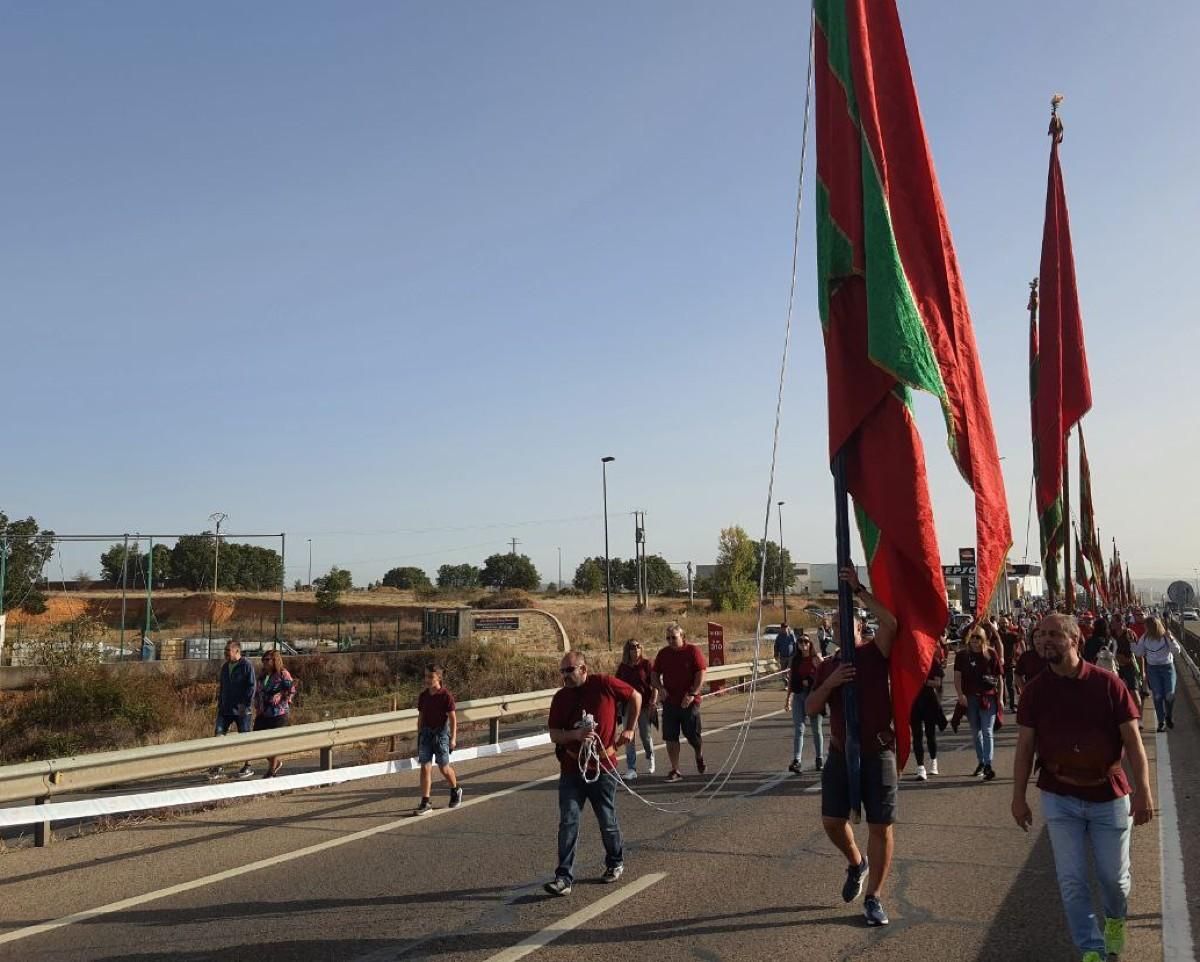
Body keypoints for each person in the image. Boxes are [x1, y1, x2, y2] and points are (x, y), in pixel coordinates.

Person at [1012, 613, 1153, 962]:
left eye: (1054, 634)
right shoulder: (1034, 692)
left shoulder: (1108, 685)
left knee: (1114, 881)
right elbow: (1025, 747)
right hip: (1060, 796)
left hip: (1108, 794)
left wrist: (1144, 792)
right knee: (1072, 881)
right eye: (1040, 634)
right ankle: (1091, 949)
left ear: (1074, 640)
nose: (1045, 640)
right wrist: (1018, 797)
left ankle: (1115, 921)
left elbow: (1133, 744)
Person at [805, 566, 899, 927]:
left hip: (877, 751)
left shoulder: (876, 652)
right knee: (832, 820)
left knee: (880, 824)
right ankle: (856, 862)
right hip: (842, 754)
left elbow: (891, 623)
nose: (843, 628)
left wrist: (859, 590)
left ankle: (874, 896)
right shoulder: (827, 664)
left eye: (850, 623)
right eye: (838, 624)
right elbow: (812, 707)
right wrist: (831, 683)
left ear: (860, 627)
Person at [544, 651, 639, 896]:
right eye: (562, 671)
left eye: (569, 670)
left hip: (603, 766)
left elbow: (635, 696)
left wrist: (629, 728)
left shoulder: (604, 684)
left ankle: (615, 861)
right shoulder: (561, 698)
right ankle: (563, 877)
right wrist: (574, 736)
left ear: (583, 669)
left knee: (606, 819)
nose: (565, 676)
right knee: (568, 822)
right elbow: (555, 734)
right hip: (572, 768)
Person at [652, 622, 708, 782]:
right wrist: (660, 688)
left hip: (689, 701)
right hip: (670, 702)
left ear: (682, 637)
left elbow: (701, 673)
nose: (670, 641)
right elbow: (654, 674)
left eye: (673, 638)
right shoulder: (663, 654)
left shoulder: (692, 651)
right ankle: (675, 769)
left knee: (692, 735)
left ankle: (699, 754)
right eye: (668, 638)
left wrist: (692, 693)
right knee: (670, 736)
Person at [414, 664, 463, 815]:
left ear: (439, 678)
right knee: (425, 766)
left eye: (431, 677)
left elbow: (453, 719)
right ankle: (425, 801)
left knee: (443, 767)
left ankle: (455, 789)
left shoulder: (445, 696)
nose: (428, 680)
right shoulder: (423, 696)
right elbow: (421, 716)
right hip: (426, 734)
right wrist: (420, 734)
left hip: (441, 734)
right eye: (426, 676)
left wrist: (453, 738)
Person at [954, 626, 1002, 781]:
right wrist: (960, 695)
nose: (975, 641)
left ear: (983, 639)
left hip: (988, 698)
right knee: (976, 732)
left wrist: (1000, 698)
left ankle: (988, 765)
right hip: (970, 699)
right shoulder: (962, 656)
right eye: (973, 637)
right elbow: (957, 677)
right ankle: (981, 761)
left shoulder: (991, 654)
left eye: (978, 638)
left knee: (987, 730)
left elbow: (999, 678)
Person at [207, 641, 257, 781]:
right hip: (225, 708)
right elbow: (222, 687)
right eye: (225, 651)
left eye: (228, 650)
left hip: (241, 709)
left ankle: (248, 765)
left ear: (236, 651)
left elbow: (251, 687)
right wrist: (220, 703)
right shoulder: (224, 667)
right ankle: (218, 765)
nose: (225, 653)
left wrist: (245, 704)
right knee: (219, 735)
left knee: (244, 736)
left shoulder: (246, 666)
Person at [615, 639, 657, 779]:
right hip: (628, 706)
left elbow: (654, 683)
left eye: (638, 646)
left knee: (645, 736)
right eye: (633, 647)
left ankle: (650, 756)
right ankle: (631, 768)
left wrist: (653, 701)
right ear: (628, 650)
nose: (636, 649)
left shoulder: (646, 664)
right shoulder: (623, 667)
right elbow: (617, 685)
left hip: (644, 705)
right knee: (628, 737)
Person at [783, 632, 824, 774]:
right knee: (799, 728)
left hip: (813, 696)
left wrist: (812, 680)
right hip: (799, 695)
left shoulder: (817, 658)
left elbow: (825, 676)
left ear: (810, 643)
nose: (803, 644)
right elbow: (791, 680)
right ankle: (797, 760)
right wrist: (788, 698)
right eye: (800, 642)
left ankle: (819, 758)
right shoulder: (795, 660)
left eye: (806, 642)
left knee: (816, 729)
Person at [253, 649, 297, 777]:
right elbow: (258, 692)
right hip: (263, 713)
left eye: (267, 660)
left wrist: (281, 694)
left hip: (278, 713)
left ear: (275, 660)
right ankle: (275, 762)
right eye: (263, 660)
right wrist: (257, 704)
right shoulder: (262, 675)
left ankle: (271, 770)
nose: (264, 662)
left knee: (273, 742)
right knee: (256, 741)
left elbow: (291, 689)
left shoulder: (283, 674)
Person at [1133, 617, 1182, 732]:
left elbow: (1177, 651)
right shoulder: (1145, 638)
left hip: (1167, 668)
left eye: (1146, 626)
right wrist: (1132, 643)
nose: (1144, 628)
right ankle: (1161, 722)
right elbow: (1139, 652)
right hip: (1153, 669)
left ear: (1153, 626)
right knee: (1158, 695)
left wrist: (1171, 639)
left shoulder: (1165, 636)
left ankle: (1168, 715)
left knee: (1169, 695)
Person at [910, 653, 946, 781]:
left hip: (929, 702)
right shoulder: (908, 661)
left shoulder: (932, 661)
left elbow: (937, 683)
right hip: (913, 702)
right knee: (917, 735)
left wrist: (923, 680)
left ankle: (933, 760)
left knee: (930, 734)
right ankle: (920, 767)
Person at [999, 617, 1022, 711]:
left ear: (1008, 623)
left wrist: (1019, 627)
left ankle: (1013, 705)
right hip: (999, 663)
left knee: (1010, 685)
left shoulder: (1011, 635)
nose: (1003, 624)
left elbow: (1019, 637)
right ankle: (1002, 703)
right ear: (999, 623)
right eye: (1002, 622)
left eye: (1005, 623)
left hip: (1009, 663)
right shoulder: (997, 634)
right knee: (1000, 685)